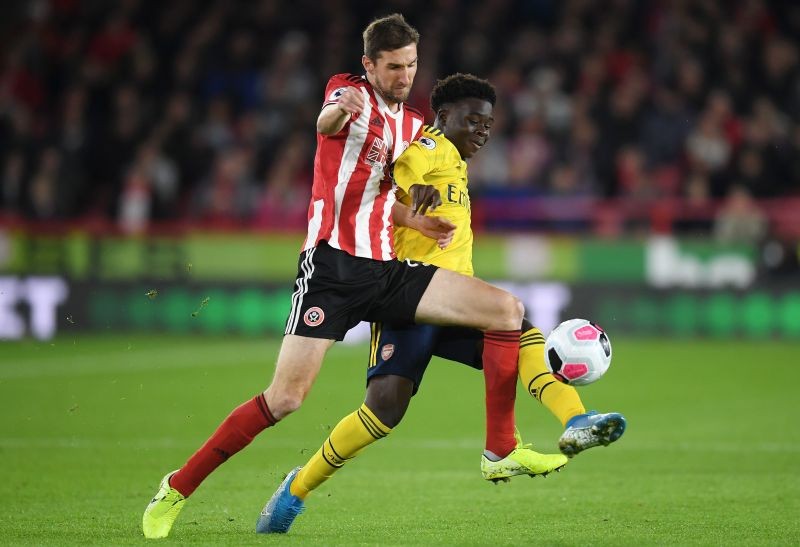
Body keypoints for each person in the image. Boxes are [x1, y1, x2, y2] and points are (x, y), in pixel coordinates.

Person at [143, 14, 542, 539]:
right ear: (369, 66)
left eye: (411, 65)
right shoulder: (347, 91)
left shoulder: (412, 126)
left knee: (505, 310)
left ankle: (500, 449)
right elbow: (325, 123)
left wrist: (416, 219)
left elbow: (381, 194)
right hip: (331, 269)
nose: (404, 76)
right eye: (393, 66)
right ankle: (177, 487)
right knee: (285, 399)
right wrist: (339, 109)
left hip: (387, 270)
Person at [255, 73, 627, 534]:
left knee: (522, 337)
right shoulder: (430, 145)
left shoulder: (456, 161)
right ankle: (296, 489)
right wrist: (415, 192)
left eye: (488, 124)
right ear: (444, 116)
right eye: (473, 121)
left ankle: (572, 420)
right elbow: (403, 172)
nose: (482, 131)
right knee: (383, 412)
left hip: (455, 300)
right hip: (409, 297)